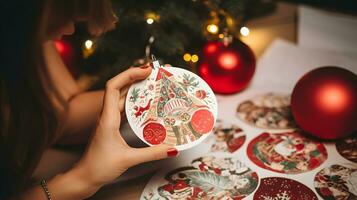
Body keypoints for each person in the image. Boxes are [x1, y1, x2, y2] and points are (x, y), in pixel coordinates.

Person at [0, 0, 178, 199]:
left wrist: (136, 97)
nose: (69, 29)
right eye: (63, 15)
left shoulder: (24, 38)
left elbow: (60, 118)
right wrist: (83, 178)